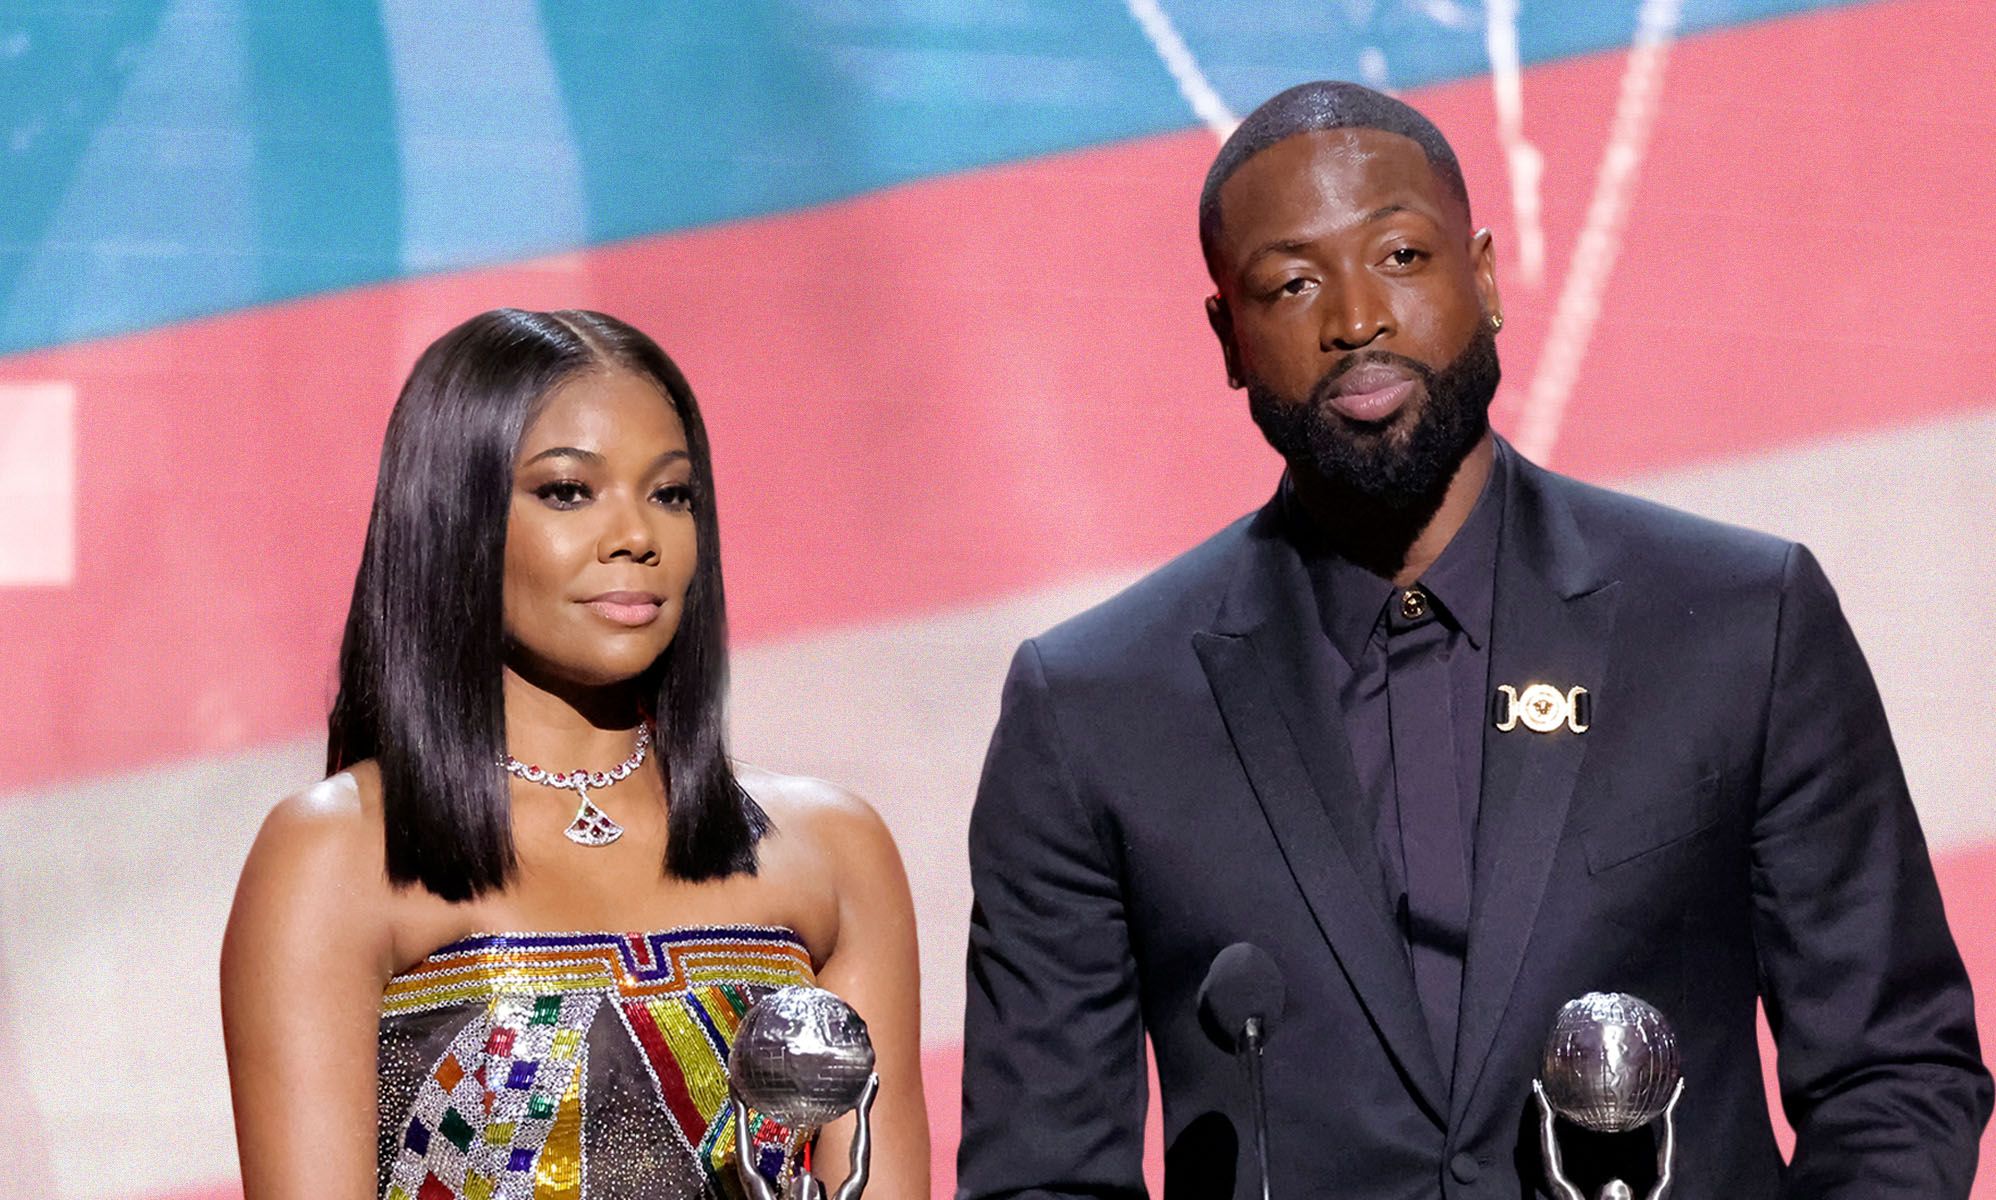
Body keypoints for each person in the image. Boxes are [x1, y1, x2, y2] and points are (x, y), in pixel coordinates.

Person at [957, 82, 1988, 1199]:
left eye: (1400, 256)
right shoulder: (1094, 710)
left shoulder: (1738, 620)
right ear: (1228, 337)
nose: (1356, 318)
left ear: (1485, 276)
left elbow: (1894, 1071)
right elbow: (1041, 1173)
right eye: (1293, 282)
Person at [221, 309, 928, 1200]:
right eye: (567, 491)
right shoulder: (335, 853)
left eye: (672, 494)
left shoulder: (832, 850)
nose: (637, 536)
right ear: (455, 518)